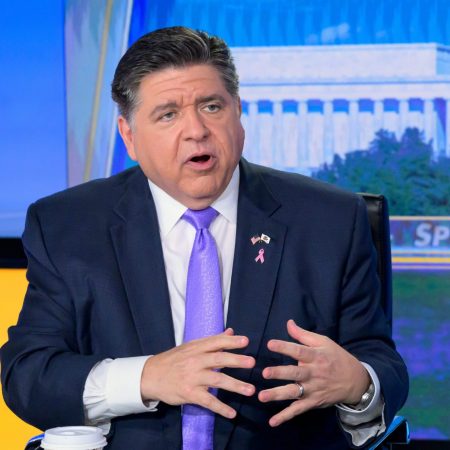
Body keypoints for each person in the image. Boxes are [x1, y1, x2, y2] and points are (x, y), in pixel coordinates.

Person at [1, 26, 408, 450]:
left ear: (238, 114)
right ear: (129, 136)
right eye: (168, 114)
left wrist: (359, 385)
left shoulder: (329, 220)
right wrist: (146, 376)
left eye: (212, 106)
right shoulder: (67, 225)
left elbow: (380, 363)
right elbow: (28, 375)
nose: (196, 130)